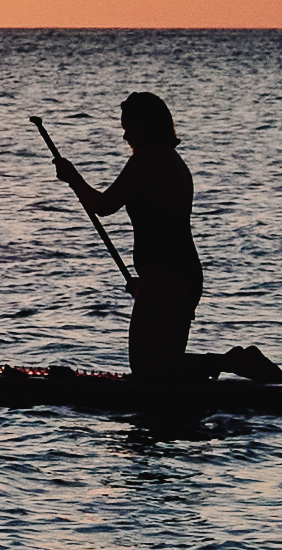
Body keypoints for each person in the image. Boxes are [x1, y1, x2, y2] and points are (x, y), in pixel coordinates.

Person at [55, 90, 204, 414]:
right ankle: (176, 430)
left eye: (130, 127)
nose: (125, 134)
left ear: (146, 127)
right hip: (181, 273)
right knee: (166, 372)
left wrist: (72, 178)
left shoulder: (148, 158)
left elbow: (103, 205)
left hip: (164, 274)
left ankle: (233, 360)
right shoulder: (174, 162)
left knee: (147, 370)